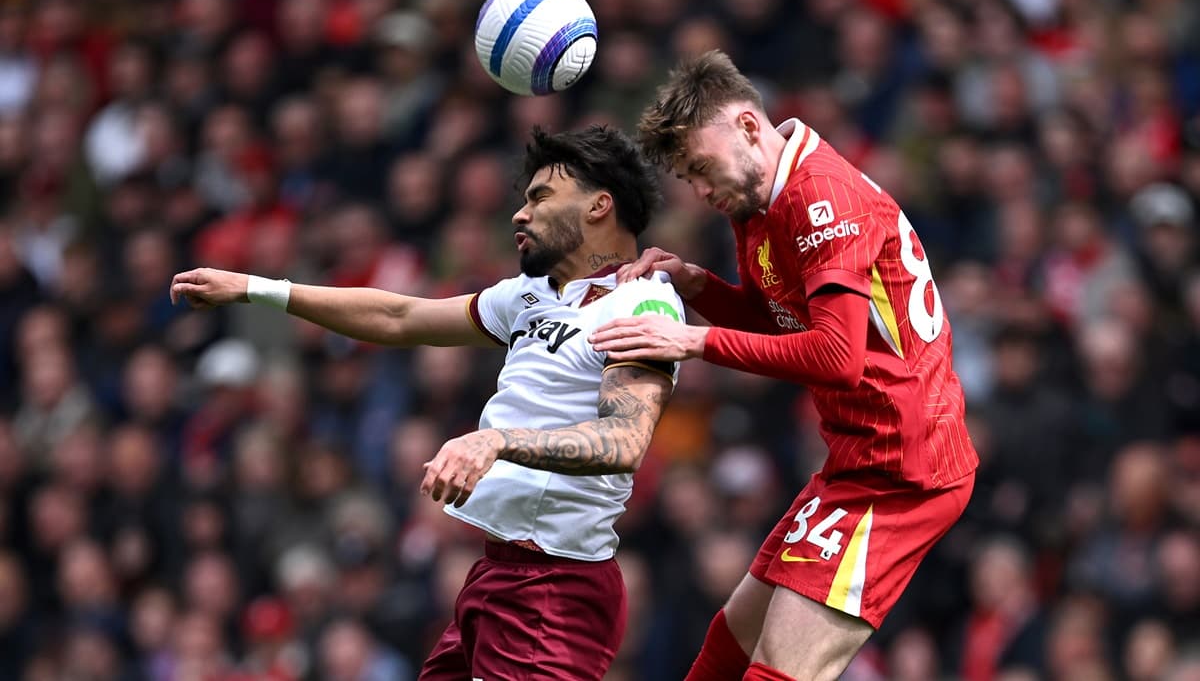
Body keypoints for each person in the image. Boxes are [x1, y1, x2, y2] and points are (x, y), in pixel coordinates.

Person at [170, 125, 684, 681]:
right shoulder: (530, 296)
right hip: (498, 575)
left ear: (599, 205)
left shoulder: (642, 302)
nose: (520, 214)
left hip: (555, 590)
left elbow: (625, 440)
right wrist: (257, 287)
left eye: (540, 197)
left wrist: (495, 440)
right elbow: (399, 316)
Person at [590, 51, 979, 681]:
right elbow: (784, 323)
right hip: (857, 458)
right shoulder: (758, 201)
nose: (701, 191)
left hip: (905, 473)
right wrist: (695, 284)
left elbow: (836, 357)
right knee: (729, 645)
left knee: (777, 671)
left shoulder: (822, 198)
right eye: (689, 178)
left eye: (700, 168)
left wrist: (692, 341)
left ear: (747, 127)